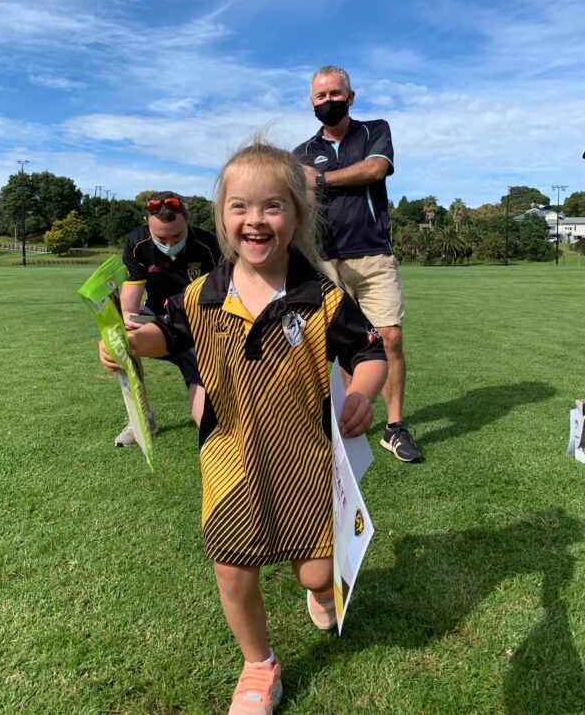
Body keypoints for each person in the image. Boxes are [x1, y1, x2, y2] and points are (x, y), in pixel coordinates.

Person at [99, 141, 388, 714]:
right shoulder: (201, 293)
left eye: (272, 206)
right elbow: (164, 336)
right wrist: (128, 342)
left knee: (317, 573)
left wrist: (361, 391)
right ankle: (258, 665)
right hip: (230, 457)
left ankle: (320, 593)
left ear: (297, 216)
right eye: (240, 207)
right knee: (232, 568)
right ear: (222, 217)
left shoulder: (323, 296)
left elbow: (371, 350)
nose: (255, 219)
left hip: (306, 462)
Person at [294, 65, 423, 463]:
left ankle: (394, 426)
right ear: (311, 103)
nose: (328, 101)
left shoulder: (374, 131)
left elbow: (374, 169)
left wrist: (319, 179)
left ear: (350, 97)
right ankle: (353, 420)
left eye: (335, 94)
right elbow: (302, 201)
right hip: (324, 260)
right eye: (321, 96)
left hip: (373, 253)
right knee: (342, 346)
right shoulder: (300, 153)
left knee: (390, 337)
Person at [115, 191, 220, 446]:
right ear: (146, 223)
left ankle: (219, 410)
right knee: (120, 340)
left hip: (196, 325)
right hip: (155, 320)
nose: (170, 245)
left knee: (206, 419)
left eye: (177, 236)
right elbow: (132, 292)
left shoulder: (210, 245)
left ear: (188, 221)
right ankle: (141, 419)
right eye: (161, 238)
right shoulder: (137, 242)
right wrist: (124, 320)